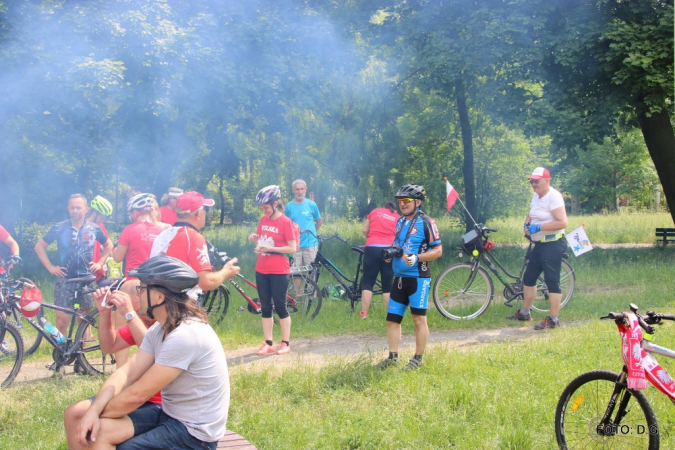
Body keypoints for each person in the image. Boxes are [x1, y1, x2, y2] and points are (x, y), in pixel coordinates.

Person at [72, 255, 230, 449]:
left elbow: (137, 395)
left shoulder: (185, 335)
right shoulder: (159, 328)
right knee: (99, 431)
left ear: (159, 297)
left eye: (141, 288)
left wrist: (94, 414)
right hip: (170, 415)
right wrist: (93, 412)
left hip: (194, 434)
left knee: (120, 444)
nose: (137, 294)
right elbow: (127, 373)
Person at [64, 278, 159, 449]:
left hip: (159, 404)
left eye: (138, 310)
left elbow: (153, 352)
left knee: (98, 425)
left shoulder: (162, 322)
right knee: (73, 413)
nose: (138, 316)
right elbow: (109, 346)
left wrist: (130, 315)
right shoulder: (140, 320)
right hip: (139, 396)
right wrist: (104, 313)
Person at [377, 184, 442, 371]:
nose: (402, 204)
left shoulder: (427, 222)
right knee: (392, 320)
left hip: (418, 278)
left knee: (418, 320)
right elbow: (399, 244)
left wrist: (418, 257)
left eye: (406, 201)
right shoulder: (400, 222)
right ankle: (393, 357)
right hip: (399, 278)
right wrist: (392, 254)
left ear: (418, 202)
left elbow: (438, 250)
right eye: (400, 201)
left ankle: (418, 359)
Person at [34, 194, 113, 335]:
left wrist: (100, 263)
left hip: (86, 280)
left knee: (83, 321)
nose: (75, 211)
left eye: (78, 207)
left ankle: (80, 354)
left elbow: (108, 245)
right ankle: (62, 353)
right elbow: (39, 246)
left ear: (86, 209)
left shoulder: (94, 228)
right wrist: (51, 268)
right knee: (62, 320)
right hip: (65, 279)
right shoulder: (59, 228)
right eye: (72, 208)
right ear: (68, 209)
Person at [507, 167, 568, 330]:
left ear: (547, 181)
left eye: (537, 181)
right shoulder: (536, 196)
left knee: (551, 280)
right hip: (540, 244)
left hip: (553, 243)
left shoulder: (553, 197)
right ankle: (525, 313)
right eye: (532, 181)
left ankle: (553, 319)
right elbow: (532, 212)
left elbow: (562, 222)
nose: (534, 184)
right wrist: (527, 223)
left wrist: (539, 227)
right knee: (529, 277)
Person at [151, 191, 240, 299]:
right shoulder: (194, 237)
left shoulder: (163, 234)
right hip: (183, 305)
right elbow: (206, 283)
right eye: (206, 209)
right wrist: (226, 272)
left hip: (159, 302)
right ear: (199, 214)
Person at [247, 185, 297, 356]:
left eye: (266, 207)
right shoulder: (264, 220)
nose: (264, 211)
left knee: (281, 306)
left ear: (275, 203)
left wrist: (270, 249)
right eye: (262, 208)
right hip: (261, 268)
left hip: (279, 270)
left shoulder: (285, 222)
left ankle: (285, 342)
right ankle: (268, 343)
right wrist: (256, 238)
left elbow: (292, 248)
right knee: (265, 306)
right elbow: (264, 240)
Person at [360, 201, 400, 318]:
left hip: (372, 248)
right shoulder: (397, 217)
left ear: (384, 207)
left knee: (367, 282)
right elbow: (399, 237)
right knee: (387, 284)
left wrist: (373, 239)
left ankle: (364, 313)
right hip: (388, 250)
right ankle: (387, 314)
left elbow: (365, 230)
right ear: (394, 209)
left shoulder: (375, 212)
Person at [113, 193, 164, 278]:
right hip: (155, 282)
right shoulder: (161, 231)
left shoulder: (129, 230)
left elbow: (117, 258)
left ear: (136, 212)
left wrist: (114, 251)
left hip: (133, 281)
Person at [284, 179, 322, 269]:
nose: (300, 192)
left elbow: (319, 221)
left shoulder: (312, 204)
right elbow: (284, 224)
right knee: (295, 273)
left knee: (312, 272)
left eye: (302, 189)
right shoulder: (289, 206)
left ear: (305, 189)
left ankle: (311, 284)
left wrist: (312, 233)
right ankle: (297, 284)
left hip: (311, 245)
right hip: (294, 245)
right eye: (297, 189)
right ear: (293, 190)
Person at [86, 195, 114, 280]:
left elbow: (109, 246)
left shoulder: (100, 226)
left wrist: (100, 263)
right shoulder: (80, 226)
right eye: (102, 218)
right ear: (94, 214)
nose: (103, 221)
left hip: (97, 273)